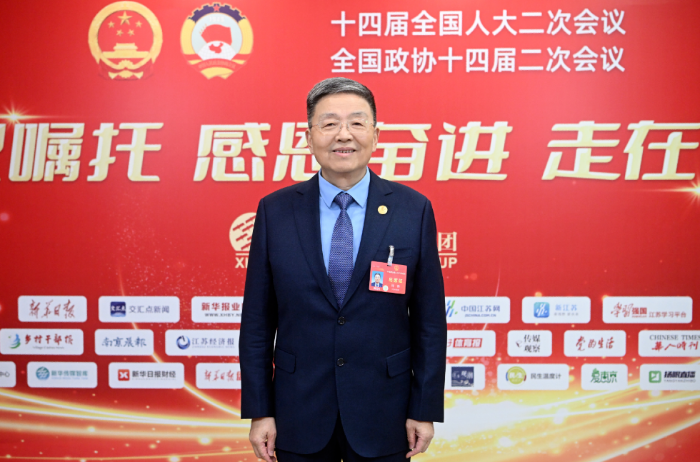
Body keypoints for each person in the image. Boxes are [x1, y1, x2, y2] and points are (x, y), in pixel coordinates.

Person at [240, 77, 446, 462]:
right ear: (309, 136)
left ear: (375, 134)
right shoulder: (276, 211)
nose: (344, 135)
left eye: (357, 122)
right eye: (330, 123)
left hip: (385, 411)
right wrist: (259, 411)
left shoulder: (412, 210)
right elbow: (256, 323)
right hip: (297, 411)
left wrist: (424, 408)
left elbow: (429, 322)